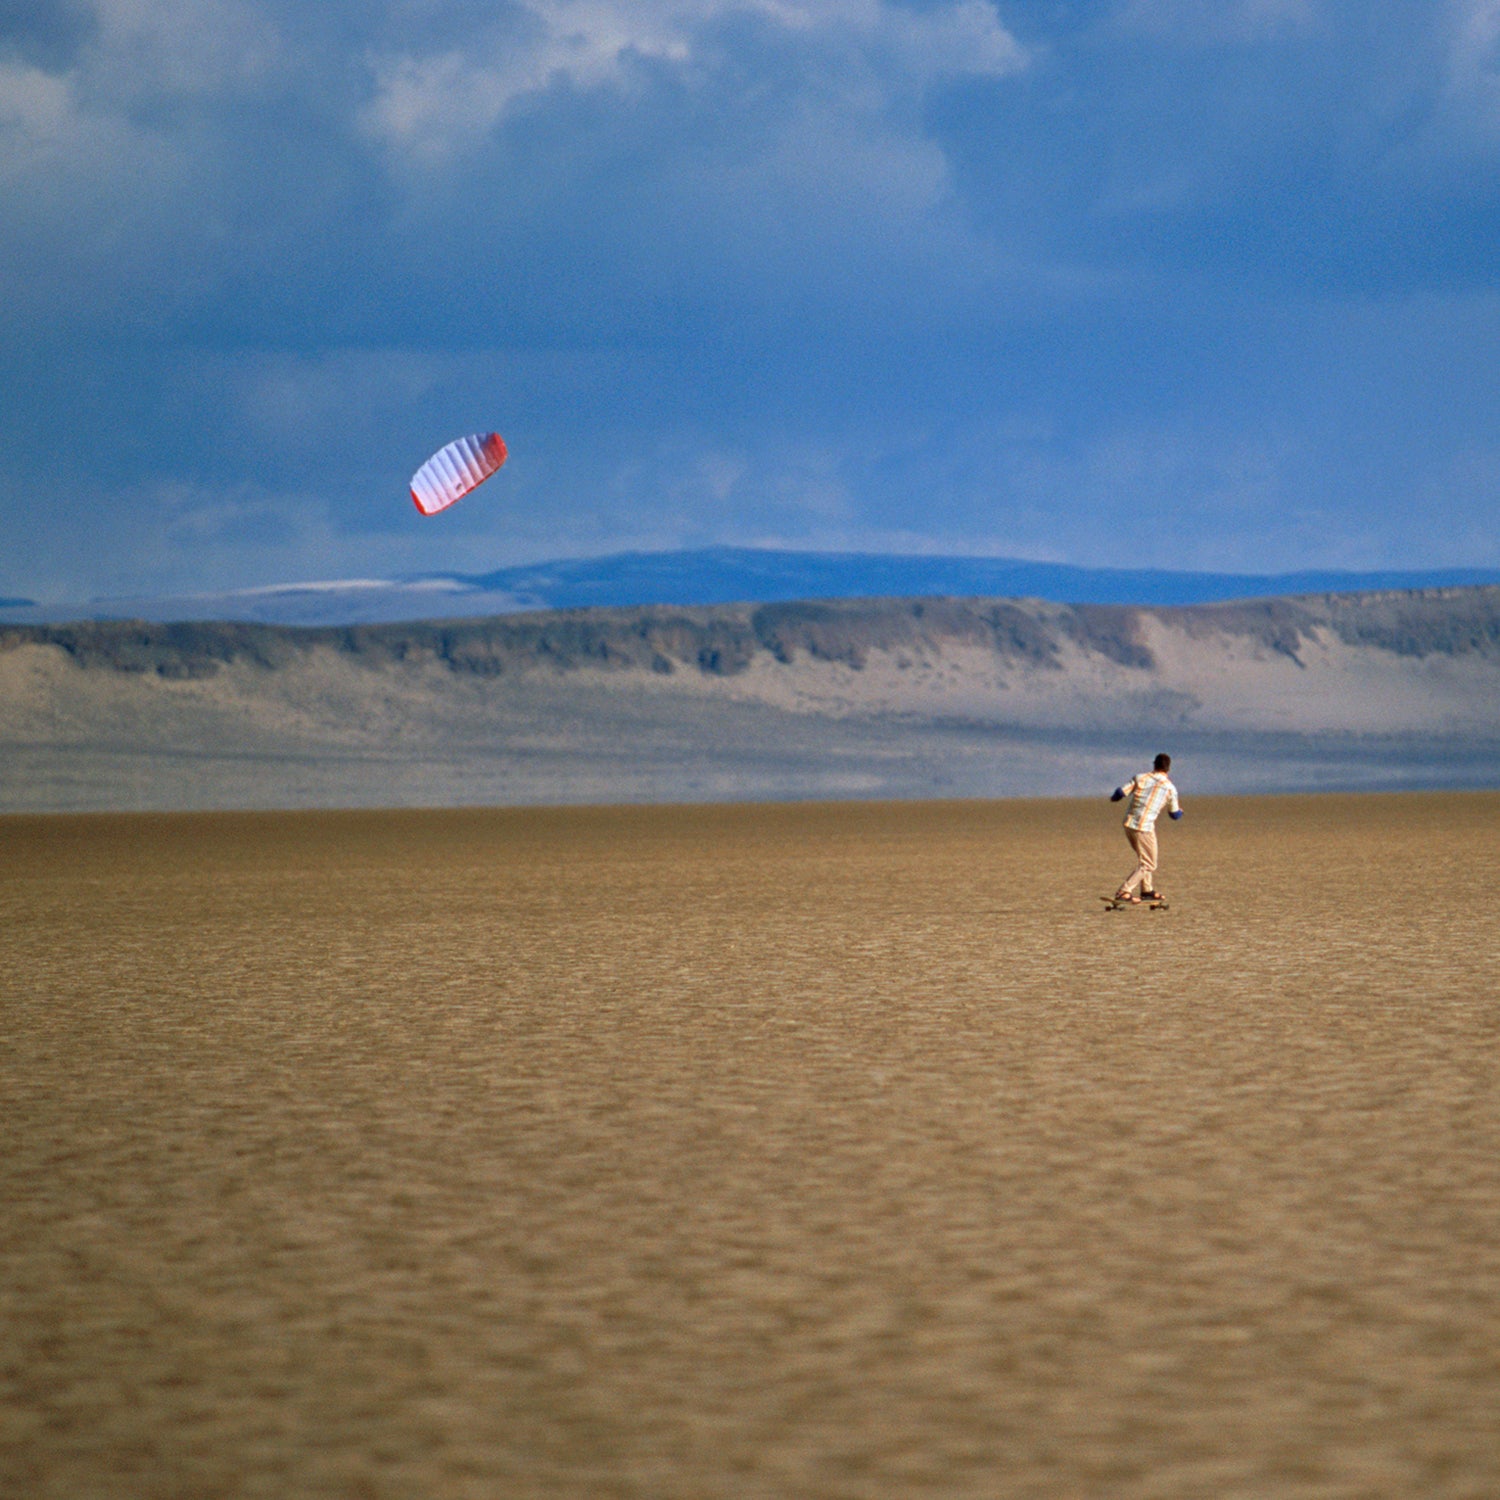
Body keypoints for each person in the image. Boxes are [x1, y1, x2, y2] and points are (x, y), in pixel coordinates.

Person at [1110, 753, 1182, 903]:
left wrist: (1113, 798)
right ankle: (1124, 891)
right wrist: (1181, 811)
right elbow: (1174, 815)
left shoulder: (1140, 777)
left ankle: (1147, 890)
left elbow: (1120, 793)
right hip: (1144, 828)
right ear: (1168, 769)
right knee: (1150, 863)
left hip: (1129, 824)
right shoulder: (1170, 788)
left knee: (1144, 859)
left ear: (1154, 764)